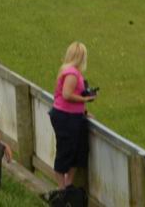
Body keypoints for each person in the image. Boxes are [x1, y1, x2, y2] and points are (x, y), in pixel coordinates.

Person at [48, 41, 95, 190]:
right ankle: (62, 188)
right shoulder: (72, 74)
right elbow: (67, 95)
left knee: (77, 150)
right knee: (65, 151)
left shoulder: (69, 71)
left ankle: (68, 185)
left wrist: (83, 111)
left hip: (72, 115)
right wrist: (85, 99)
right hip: (65, 116)